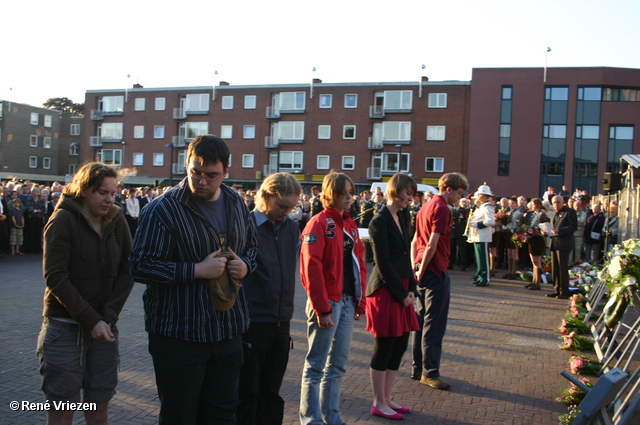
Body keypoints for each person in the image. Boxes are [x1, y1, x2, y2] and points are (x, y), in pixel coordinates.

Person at [129, 135, 257, 425]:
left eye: (211, 176)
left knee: (222, 415)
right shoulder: (162, 210)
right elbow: (139, 266)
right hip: (179, 334)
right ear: (186, 166)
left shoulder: (236, 202)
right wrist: (196, 270)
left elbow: (252, 248)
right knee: (180, 416)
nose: (201, 181)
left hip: (228, 330)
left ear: (226, 171)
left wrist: (245, 266)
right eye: (195, 173)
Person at [37, 162, 134, 425]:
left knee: (98, 408)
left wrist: (108, 317)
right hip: (64, 327)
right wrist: (92, 320)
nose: (109, 199)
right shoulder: (63, 220)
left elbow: (128, 270)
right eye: (102, 192)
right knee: (62, 409)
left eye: (113, 193)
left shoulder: (116, 219)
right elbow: (56, 277)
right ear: (84, 190)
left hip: (104, 328)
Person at [299, 172, 367, 425]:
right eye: (344, 193)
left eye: (351, 192)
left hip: (347, 302)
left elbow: (359, 264)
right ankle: (311, 419)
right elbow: (310, 268)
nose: (350, 197)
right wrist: (322, 307)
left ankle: (333, 416)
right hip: (328, 303)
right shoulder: (317, 223)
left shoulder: (349, 223)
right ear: (332, 194)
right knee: (316, 365)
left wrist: (361, 301)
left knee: (338, 365)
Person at [237, 172, 302, 425]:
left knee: (272, 392)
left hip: (281, 322)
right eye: (282, 206)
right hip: (251, 322)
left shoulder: (291, 227)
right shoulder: (244, 226)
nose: (286, 212)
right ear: (265, 196)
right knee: (247, 392)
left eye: (292, 207)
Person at [365, 173, 420, 420]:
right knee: (385, 345)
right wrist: (401, 294)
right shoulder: (379, 220)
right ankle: (378, 402)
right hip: (386, 290)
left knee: (399, 346)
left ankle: (387, 398)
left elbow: (405, 256)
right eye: (409, 193)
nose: (411, 198)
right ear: (396, 191)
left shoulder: (404, 216)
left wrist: (413, 289)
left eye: (412, 194)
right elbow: (383, 262)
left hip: (403, 288)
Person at [411, 172, 469, 390]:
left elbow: (415, 240)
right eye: (459, 192)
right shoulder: (442, 208)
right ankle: (430, 372)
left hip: (421, 269)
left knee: (419, 322)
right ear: (449, 189)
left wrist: (415, 268)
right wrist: (424, 267)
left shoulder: (424, 206)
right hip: (435, 270)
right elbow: (431, 244)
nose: (459, 197)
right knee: (434, 324)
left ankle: (418, 368)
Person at [544, 195, 577, 299]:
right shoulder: (554, 213)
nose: (556, 205)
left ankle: (564, 291)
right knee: (555, 268)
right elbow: (552, 227)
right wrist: (546, 231)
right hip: (554, 243)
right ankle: (556, 289)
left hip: (564, 244)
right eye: (554, 203)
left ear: (563, 202)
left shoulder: (569, 212)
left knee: (562, 268)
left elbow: (573, 227)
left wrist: (560, 230)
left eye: (558, 202)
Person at [466, 184, 495, 287]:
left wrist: (478, 224)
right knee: (478, 258)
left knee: (483, 259)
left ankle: (485, 278)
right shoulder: (481, 206)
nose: (477, 197)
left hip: (483, 236)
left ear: (484, 195)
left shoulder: (487, 206)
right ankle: (479, 276)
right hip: (477, 235)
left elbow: (490, 221)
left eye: (479, 195)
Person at [523, 198, 550, 290]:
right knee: (533, 261)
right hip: (531, 239)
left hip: (538, 239)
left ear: (537, 205)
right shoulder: (530, 214)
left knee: (537, 261)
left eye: (533, 204)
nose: (532, 206)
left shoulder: (542, 215)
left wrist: (539, 231)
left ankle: (537, 282)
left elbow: (545, 227)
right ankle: (534, 281)